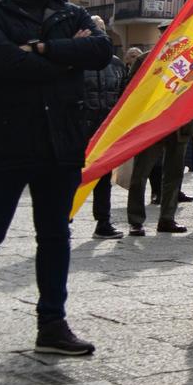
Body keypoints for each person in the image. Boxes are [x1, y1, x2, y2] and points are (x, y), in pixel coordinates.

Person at [0, 0, 112, 355]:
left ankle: (52, 325)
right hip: (6, 141)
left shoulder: (72, 11)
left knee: (55, 235)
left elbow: (101, 51)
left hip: (60, 141)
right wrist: (68, 57)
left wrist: (44, 49)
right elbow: (5, 63)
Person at [78, 28, 126, 238]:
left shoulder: (115, 63)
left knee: (104, 177)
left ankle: (103, 222)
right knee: (71, 177)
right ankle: (64, 219)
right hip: (79, 128)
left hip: (105, 128)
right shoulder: (75, 61)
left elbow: (123, 93)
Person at [123, 128, 189, 237]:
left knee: (174, 175)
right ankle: (135, 221)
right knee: (139, 175)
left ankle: (167, 219)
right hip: (152, 125)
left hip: (180, 127)